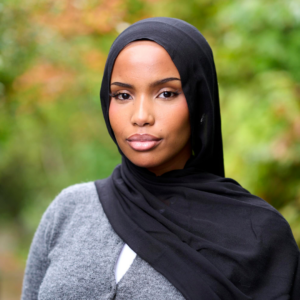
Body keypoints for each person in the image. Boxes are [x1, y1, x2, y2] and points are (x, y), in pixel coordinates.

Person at [21, 17, 300, 300]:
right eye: (123, 95)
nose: (141, 116)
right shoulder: (70, 210)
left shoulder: (257, 233)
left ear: (199, 101)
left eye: (166, 93)